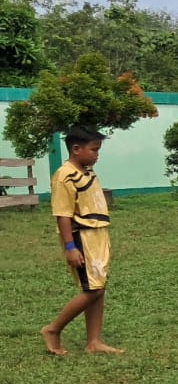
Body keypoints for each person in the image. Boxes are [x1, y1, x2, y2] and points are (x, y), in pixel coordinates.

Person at [40, 126, 122, 356]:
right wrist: (70, 247)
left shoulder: (87, 172)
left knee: (99, 288)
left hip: (98, 234)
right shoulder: (65, 176)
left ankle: (94, 341)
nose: (97, 154)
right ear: (76, 149)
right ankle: (53, 329)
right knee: (92, 290)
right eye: (94, 150)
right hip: (81, 237)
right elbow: (62, 214)